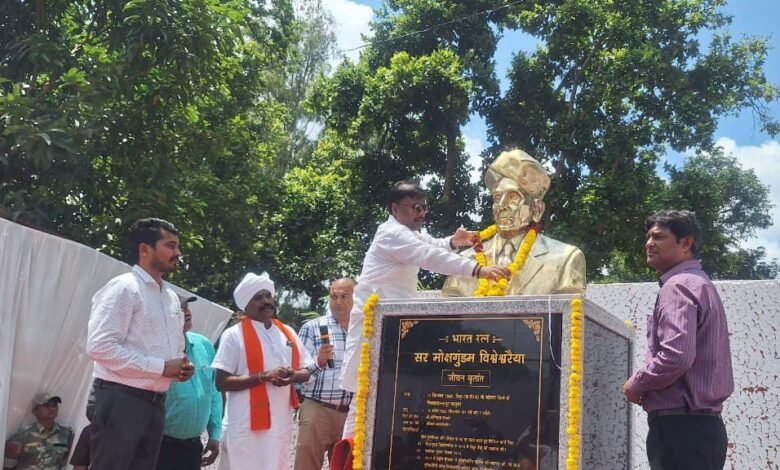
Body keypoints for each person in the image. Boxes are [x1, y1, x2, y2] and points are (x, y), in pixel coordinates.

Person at [340, 180, 510, 439]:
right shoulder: (391, 233)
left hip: (394, 327)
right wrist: (478, 270)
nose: (421, 213)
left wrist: (453, 242)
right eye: (415, 207)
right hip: (373, 327)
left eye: (424, 207)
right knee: (365, 399)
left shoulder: (410, 234)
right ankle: (350, 461)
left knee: (387, 397)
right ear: (395, 208)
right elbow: (428, 257)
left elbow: (432, 246)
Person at [623, 210, 734, 470]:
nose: (649, 243)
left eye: (659, 237)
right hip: (702, 430)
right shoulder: (700, 284)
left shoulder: (679, 285)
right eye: (648, 236)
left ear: (686, 243)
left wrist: (636, 384)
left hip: (680, 430)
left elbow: (676, 355)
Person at [86, 218, 194, 470]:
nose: (177, 253)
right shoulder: (124, 288)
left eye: (177, 246)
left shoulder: (169, 297)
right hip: (120, 400)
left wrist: (180, 368)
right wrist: (160, 367)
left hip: (155, 402)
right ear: (144, 249)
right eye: (170, 246)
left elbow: (170, 352)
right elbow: (99, 347)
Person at [213, 272, 332, 470]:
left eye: (268, 296)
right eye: (258, 298)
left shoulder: (287, 332)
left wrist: (292, 376)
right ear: (246, 304)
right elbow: (221, 382)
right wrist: (263, 376)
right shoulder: (233, 335)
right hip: (245, 428)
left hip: (279, 426)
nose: (266, 301)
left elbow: (306, 370)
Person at [442, 149, 586, 296]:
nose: (502, 205)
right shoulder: (463, 262)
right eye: (497, 197)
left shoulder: (566, 259)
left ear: (537, 209)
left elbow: (568, 313)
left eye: (513, 197)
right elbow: (449, 315)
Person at [294, 278, 356, 470]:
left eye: (344, 296)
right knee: (307, 465)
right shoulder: (313, 328)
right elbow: (298, 374)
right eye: (333, 296)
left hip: (351, 412)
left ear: (357, 297)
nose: (338, 302)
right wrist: (318, 363)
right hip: (317, 409)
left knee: (346, 465)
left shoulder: (363, 328)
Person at [156, 295, 223, 470]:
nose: (186, 312)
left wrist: (215, 435)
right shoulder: (157, 349)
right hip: (159, 446)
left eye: (186, 307)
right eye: (179, 309)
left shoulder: (204, 345)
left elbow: (214, 393)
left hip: (192, 448)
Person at [3, 394, 73, 470]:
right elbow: (8, 465)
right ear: (35, 411)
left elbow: (66, 463)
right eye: (46, 406)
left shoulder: (66, 434)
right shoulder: (22, 435)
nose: (52, 408)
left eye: (54, 405)